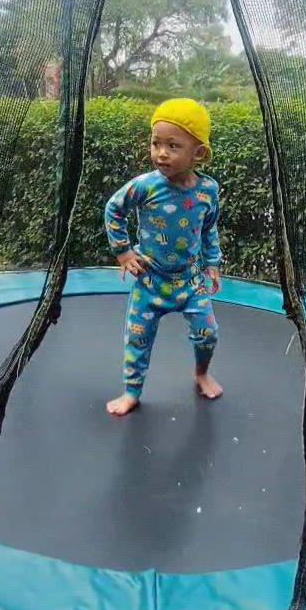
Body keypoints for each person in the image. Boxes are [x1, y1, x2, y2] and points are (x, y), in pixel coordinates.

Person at [104, 98, 222, 416]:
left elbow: (208, 227)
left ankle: (201, 373)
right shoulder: (145, 186)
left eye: (173, 145)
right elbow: (114, 209)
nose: (161, 153)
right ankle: (131, 391)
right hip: (150, 280)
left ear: (198, 153)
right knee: (137, 339)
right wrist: (123, 251)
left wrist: (212, 263)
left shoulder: (207, 191)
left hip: (190, 282)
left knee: (208, 333)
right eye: (156, 143)